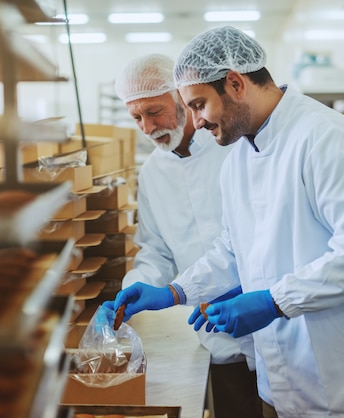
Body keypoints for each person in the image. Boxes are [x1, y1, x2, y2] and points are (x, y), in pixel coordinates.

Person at [106, 26, 344, 418]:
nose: (197, 122)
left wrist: (273, 301)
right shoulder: (241, 156)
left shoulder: (325, 139)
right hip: (283, 377)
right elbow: (232, 249)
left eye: (200, 105)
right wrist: (173, 291)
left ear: (235, 84)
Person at [110, 53, 262, 418]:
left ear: (182, 96)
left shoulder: (236, 148)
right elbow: (156, 250)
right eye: (136, 118)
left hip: (268, 315)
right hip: (213, 331)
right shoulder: (152, 173)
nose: (147, 128)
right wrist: (136, 288)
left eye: (154, 111)